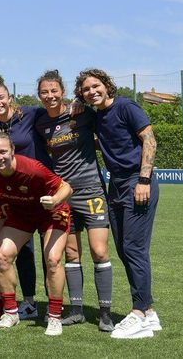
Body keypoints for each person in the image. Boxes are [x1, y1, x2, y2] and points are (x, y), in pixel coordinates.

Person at [76, 68, 160, 339]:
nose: (92, 92)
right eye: (86, 89)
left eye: (96, 86)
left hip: (137, 180)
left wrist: (144, 180)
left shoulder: (126, 106)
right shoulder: (96, 116)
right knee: (125, 250)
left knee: (134, 248)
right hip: (115, 185)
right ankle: (149, 311)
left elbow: (149, 140)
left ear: (106, 85)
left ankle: (138, 312)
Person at [35, 70, 114, 331]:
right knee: (71, 253)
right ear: (39, 96)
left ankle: (105, 313)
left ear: (63, 92)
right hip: (64, 194)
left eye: (54, 91)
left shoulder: (82, 113)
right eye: (44, 92)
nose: (50, 96)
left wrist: (80, 102)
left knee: (99, 251)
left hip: (92, 191)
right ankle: (77, 310)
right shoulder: (40, 122)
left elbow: (104, 122)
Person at [0, 131, 73, 336]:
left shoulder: (33, 168)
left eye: (3, 151)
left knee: (53, 259)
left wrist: (55, 200)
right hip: (23, 213)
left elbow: (66, 187)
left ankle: (54, 316)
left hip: (52, 211)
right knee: (2, 256)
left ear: (12, 151)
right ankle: (11, 312)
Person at [0, 82, 50, 320]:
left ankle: (53, 306)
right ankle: (29, 302)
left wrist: (77, 106)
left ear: (9, 97)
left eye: (0, 97)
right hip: (15, 194)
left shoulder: (30, 114)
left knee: (49, 252)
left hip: (42, 190)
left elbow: (57, 113)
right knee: (23, 250)